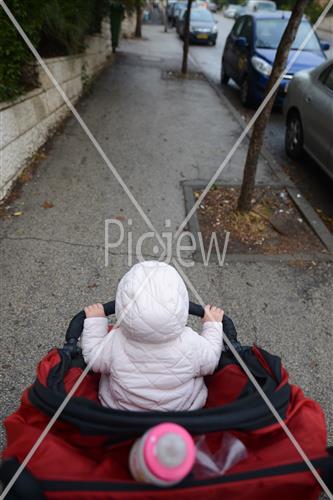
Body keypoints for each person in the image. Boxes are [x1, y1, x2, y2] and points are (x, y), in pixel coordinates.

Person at [82, 260, 224, 411]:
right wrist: (212, 324)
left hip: (123, 413)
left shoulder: (115, 341)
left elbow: (93, 358)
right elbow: (211, 360)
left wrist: (95, 321)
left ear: (121, 305)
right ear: (182, 305)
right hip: (182, 413)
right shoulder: (191, 343)